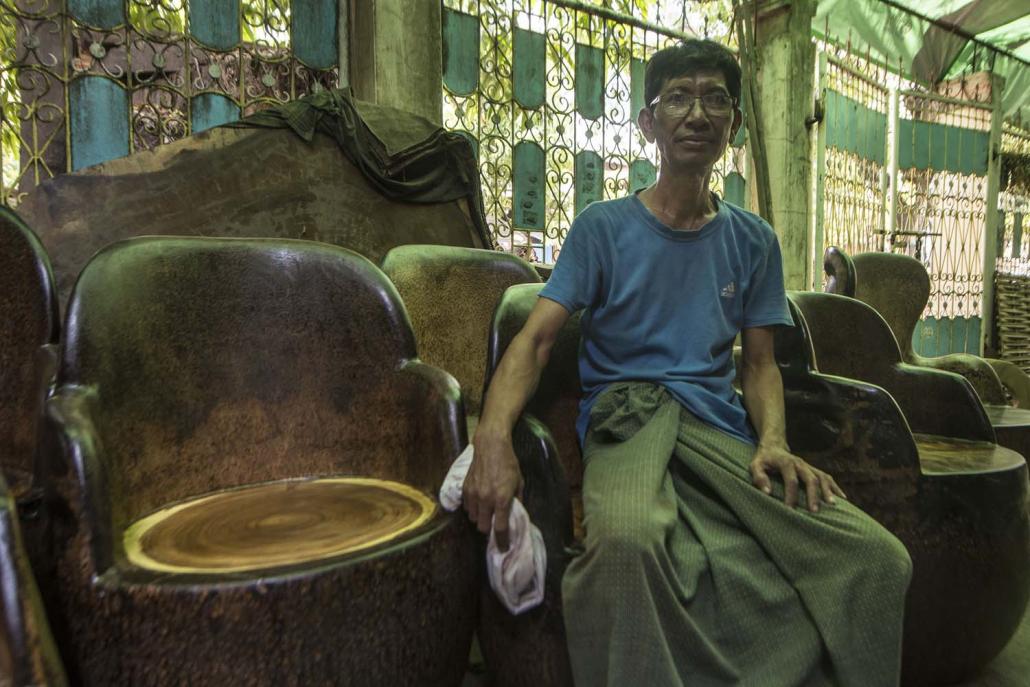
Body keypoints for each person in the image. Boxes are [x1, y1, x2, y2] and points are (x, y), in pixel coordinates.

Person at [463, 39, 912, 687]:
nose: (696, 112)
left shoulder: (754, 241)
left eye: (715, 98)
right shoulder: (602, 227)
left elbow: (760, 365)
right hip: (628, 423)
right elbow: (532, 341)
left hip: (716, 433)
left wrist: (775, 442)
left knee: (874, 559)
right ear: (649, 123)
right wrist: (492, 436)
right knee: (628, 549)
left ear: (733, 124)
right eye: (677, 96)